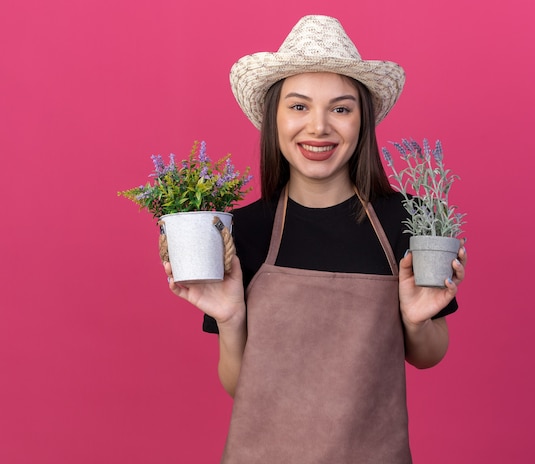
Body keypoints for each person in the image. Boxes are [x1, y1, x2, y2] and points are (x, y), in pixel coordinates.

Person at [164, 15, 467, 463]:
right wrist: (229, 319)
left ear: (362, 121)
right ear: (275, 118)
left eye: (341, 108)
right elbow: (240, 386)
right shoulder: (240, 232)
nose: (319, 127)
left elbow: (427, 356)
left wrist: (417, 320)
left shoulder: (409, 220)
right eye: (299, 106)